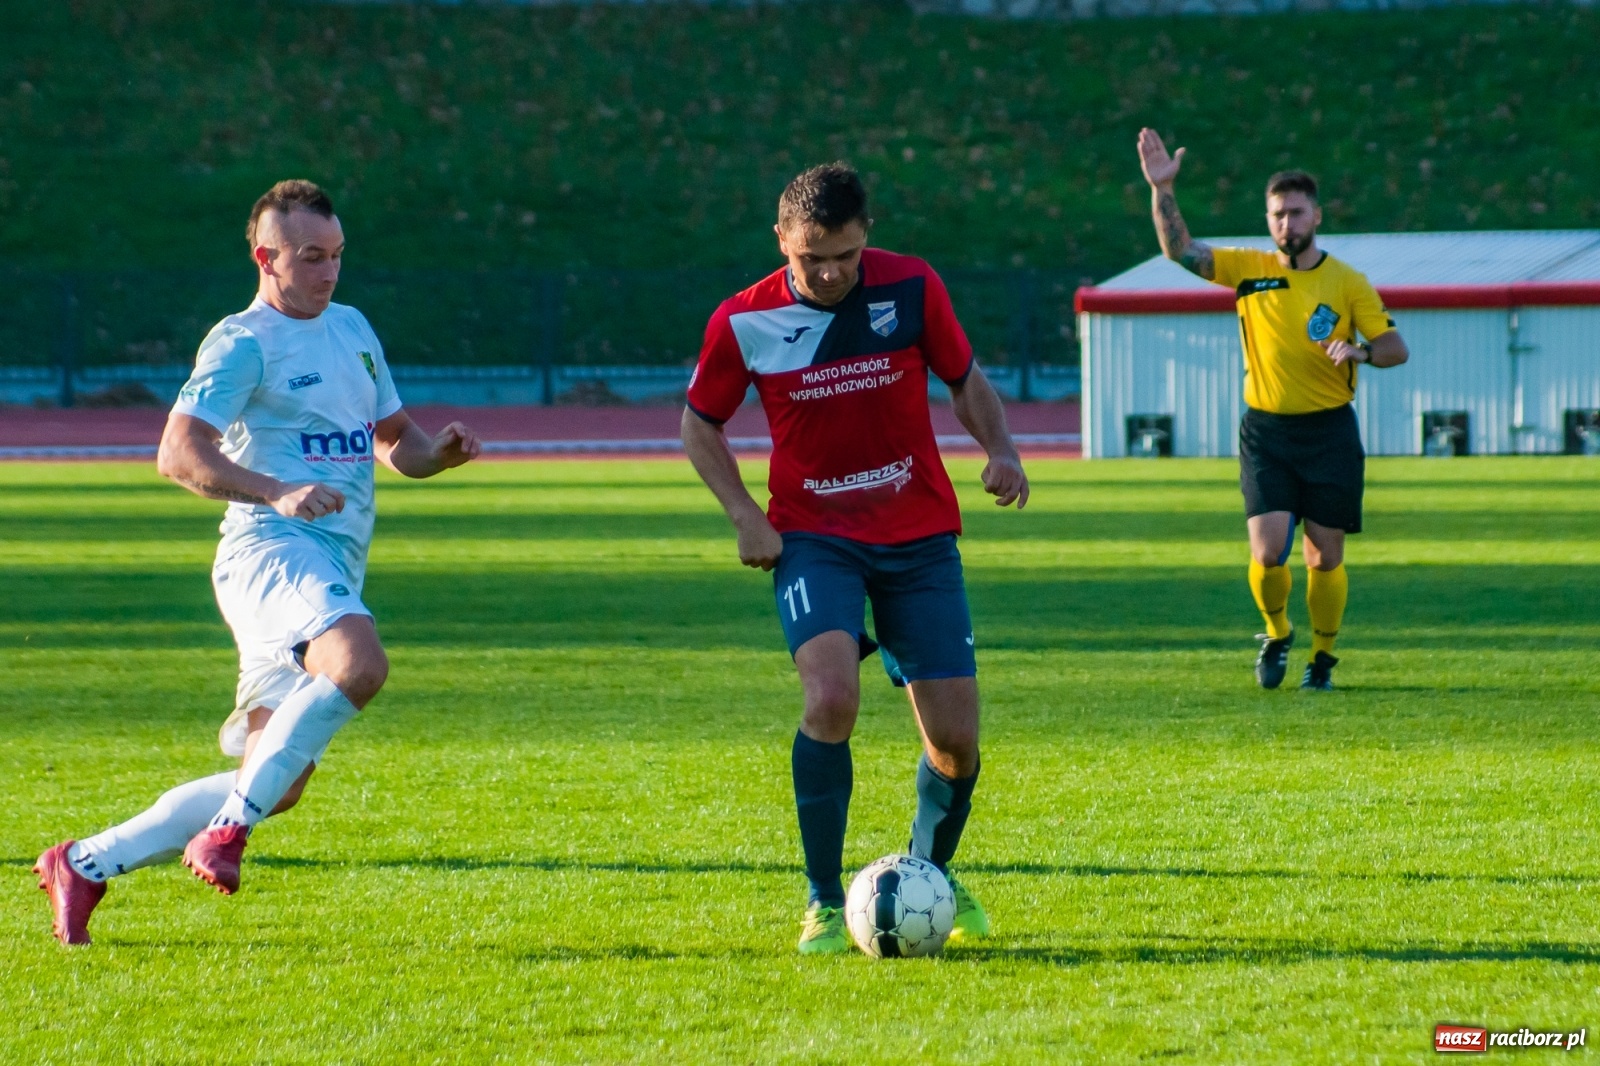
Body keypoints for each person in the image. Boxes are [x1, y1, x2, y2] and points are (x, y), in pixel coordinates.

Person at [34, 179, 482, 945]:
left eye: (337, 255)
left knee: (279, 783)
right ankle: (224, 835)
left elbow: (391, 438)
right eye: (310, 258)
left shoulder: (352, 329)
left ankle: (84, 862)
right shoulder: (242, 342)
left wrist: (433, 454)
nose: (329, 272)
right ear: (264, 258)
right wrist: (275, 490)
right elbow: (178, 453)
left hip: (328, 559)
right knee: (360, 663)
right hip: (268, 551)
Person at [681, 162, 1029, 954]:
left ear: (866, 233)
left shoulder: (911, 289)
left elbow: (965, 380)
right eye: (811, 258)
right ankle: (821, 899)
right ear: (782, 242)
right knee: (832, 698)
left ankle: (927, 877)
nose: (831, 272)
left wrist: (1001, 448)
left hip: (919, 539)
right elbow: (699, 423)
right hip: (813, 538)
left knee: (956, 742)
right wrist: (744, 516)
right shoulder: (743, 322)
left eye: (843, 254)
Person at [1136, 129, 1409, 690]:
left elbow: (1395, 348)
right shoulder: (1249, 268)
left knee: (1324, 557)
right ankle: (1278, 632)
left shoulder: (1347, 282)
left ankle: (1323, 659)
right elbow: (1179, 250)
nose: (1288, 224)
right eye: (1278, 214)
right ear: (1268, 219)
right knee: (1267, 551)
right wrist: (1162, 190)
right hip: (1266, 431)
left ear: (1318, 217)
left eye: (1297, 213)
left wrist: (1359, 349)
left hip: (1330, 431)